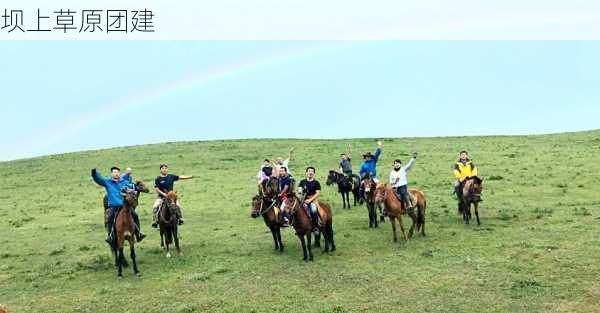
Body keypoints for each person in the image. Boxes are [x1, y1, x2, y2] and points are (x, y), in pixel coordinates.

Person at [91, 166, 146, 243]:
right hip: (114, 206)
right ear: (111, 174)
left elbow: (133, 186)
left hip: (125, 206)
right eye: (114, 172)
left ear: (119, 173)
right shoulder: (108, 182)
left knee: (135, 215)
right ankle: (110, 236)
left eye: (117, 172)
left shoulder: (124, 182)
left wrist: (140, 188)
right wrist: (94, 173)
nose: (116, 174)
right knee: (110, 218)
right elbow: (99, 179)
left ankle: (138, 234)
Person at [298, 167, 322, 235]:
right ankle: (298, 227)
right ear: (306, 173)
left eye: (312, 171)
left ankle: (315, 227)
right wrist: (302, 198)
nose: (310, 173)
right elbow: (299, 191)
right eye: (309, 171)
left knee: (313, 209)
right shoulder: (302, 182)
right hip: (304, 200)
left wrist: (310, 200)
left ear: (314, 173)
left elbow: (317, 193)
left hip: (313, 200)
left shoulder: (316, 182)